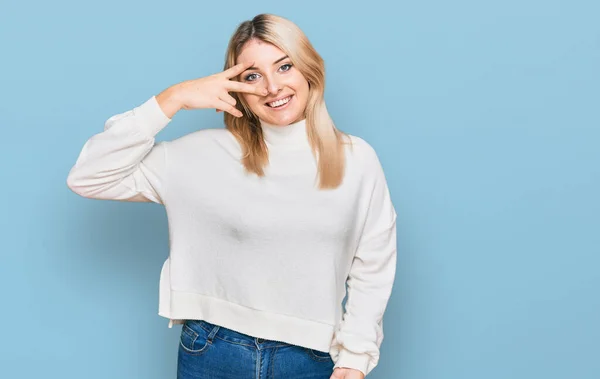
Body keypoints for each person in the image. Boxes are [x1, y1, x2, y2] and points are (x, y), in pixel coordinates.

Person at [66, 13, 397, 379]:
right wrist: (172, 99)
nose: (272, 87)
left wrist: (356, 355)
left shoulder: (356, 158)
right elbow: (88, 177)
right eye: (253, 76)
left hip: (310, 357)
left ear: (309, 71)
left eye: (284, 66)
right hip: (212, 351)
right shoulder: (202, 154)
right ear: (236, 86)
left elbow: (374, 263)